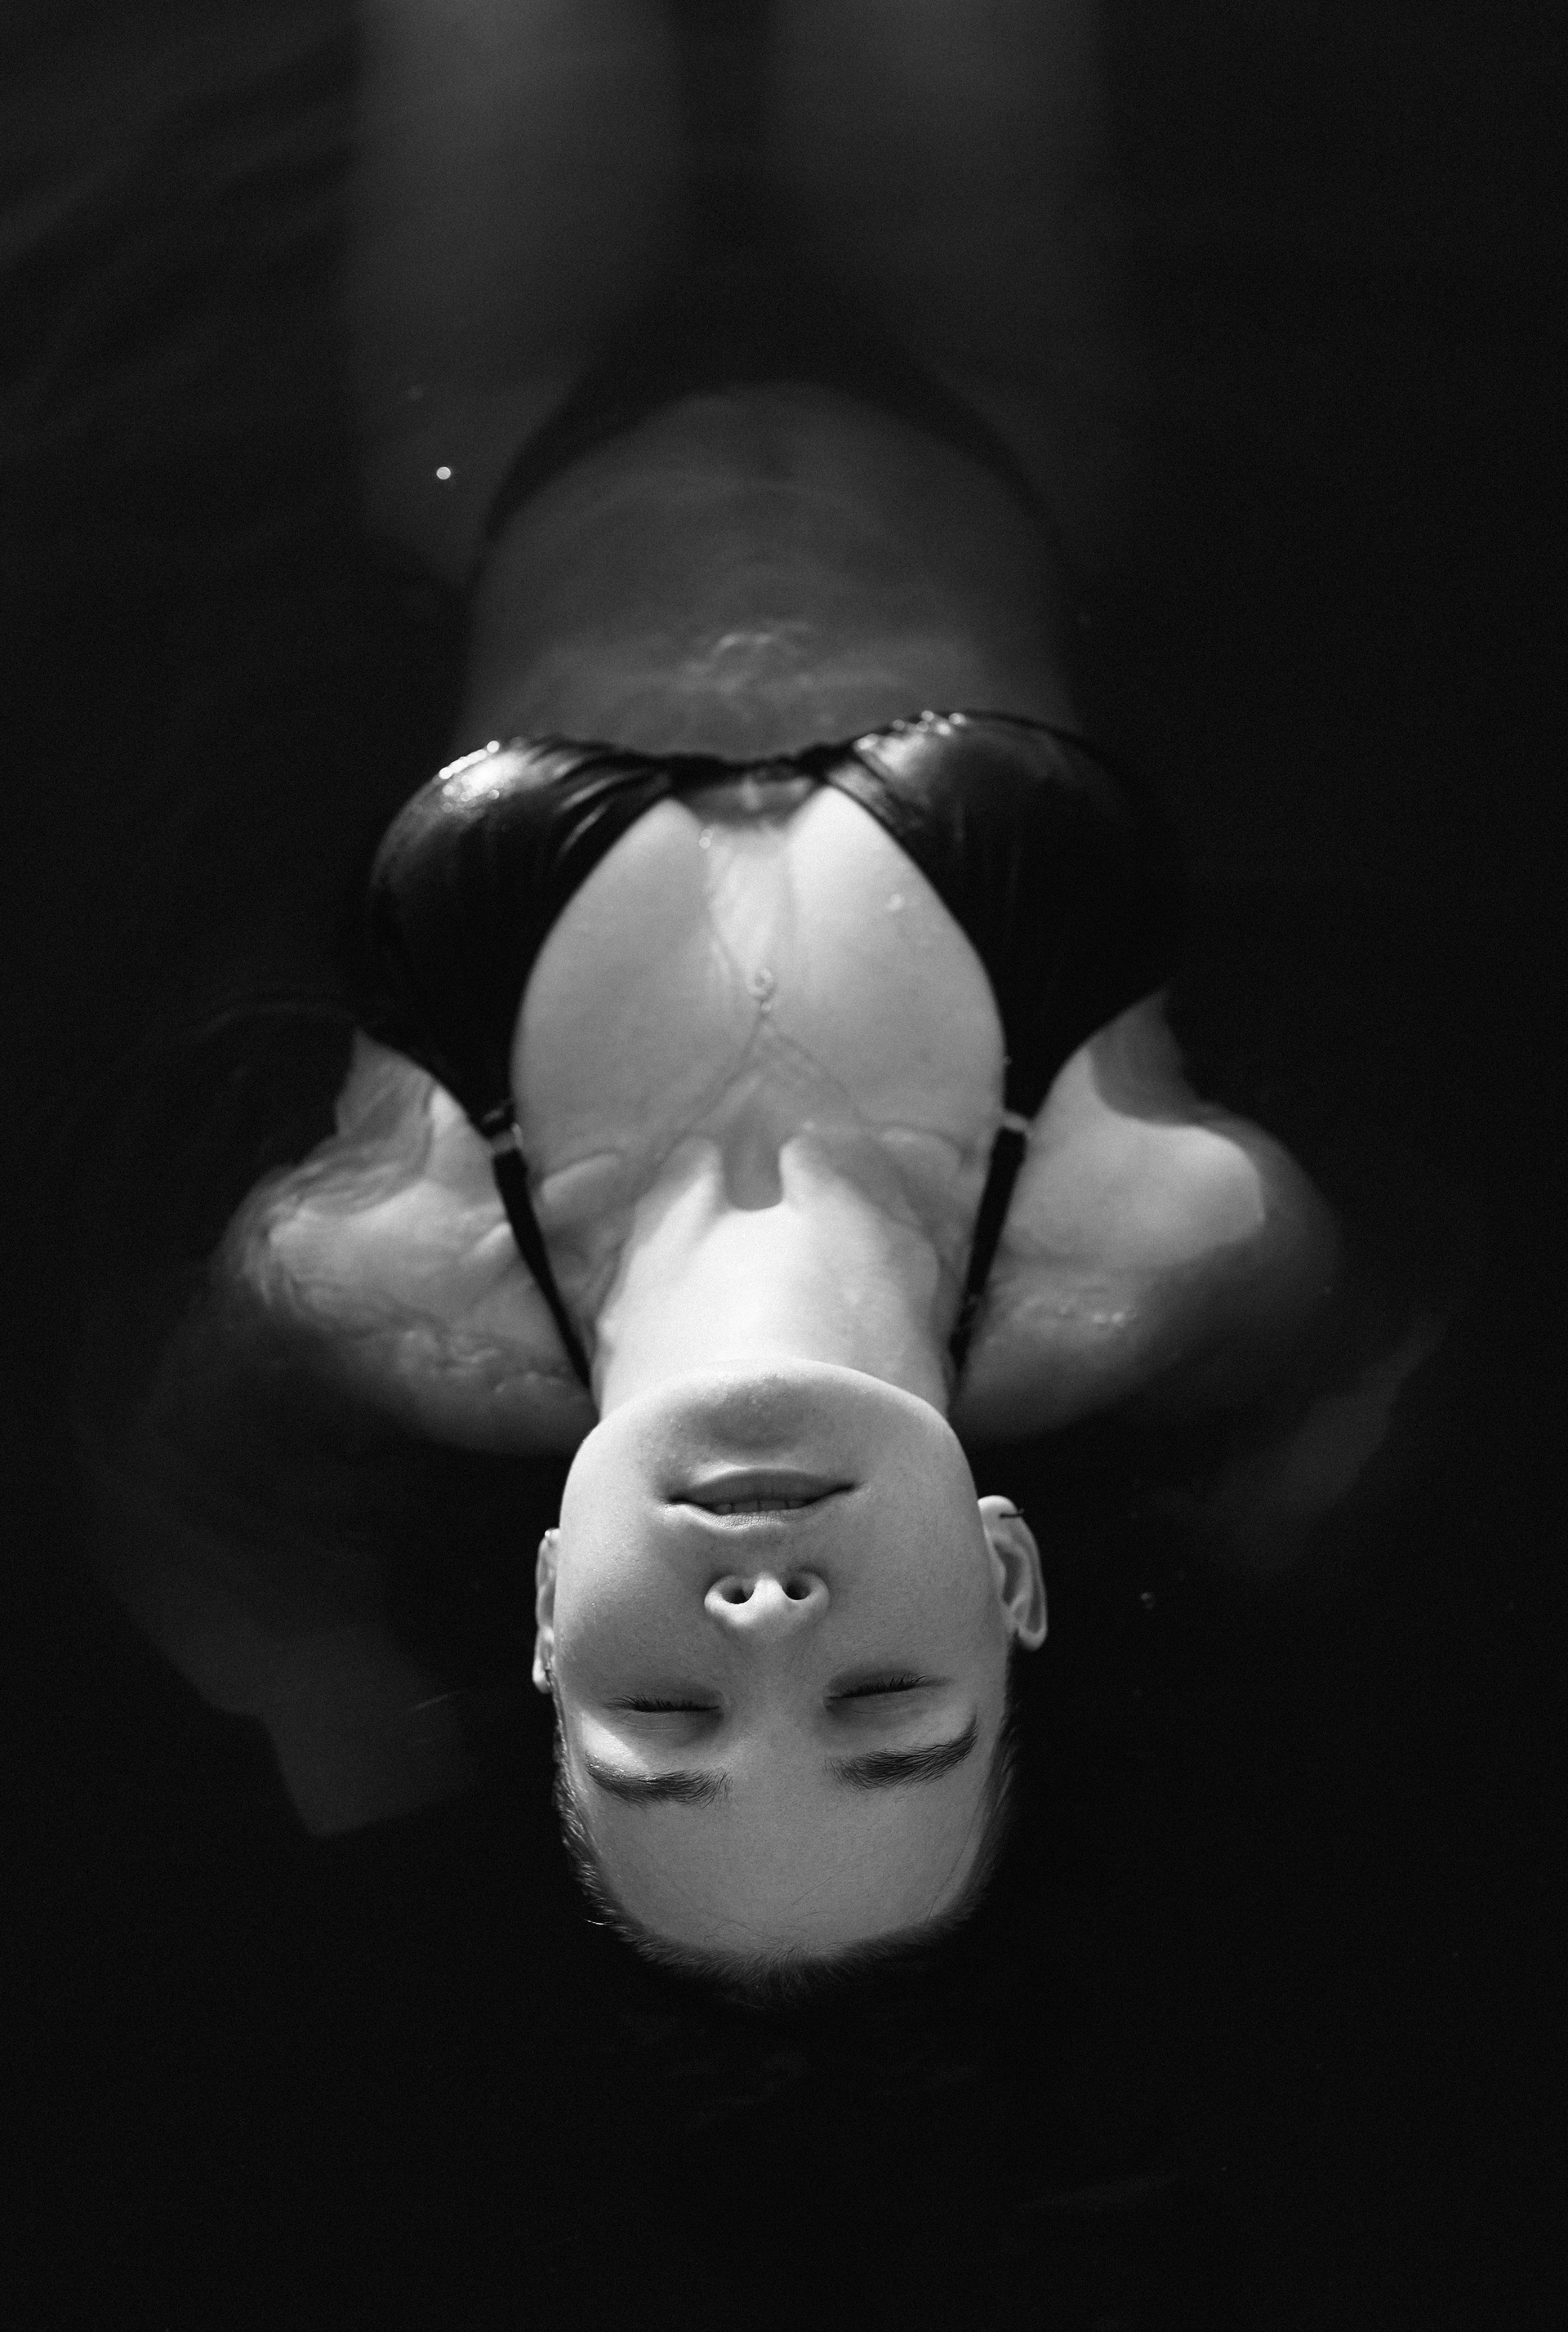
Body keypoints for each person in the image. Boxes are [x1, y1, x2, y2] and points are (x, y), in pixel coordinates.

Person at [79, 0, 1342, 1995]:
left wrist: (314, 1686)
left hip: (512, 428)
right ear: (1006, 1579)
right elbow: (1370, 1355)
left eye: (664, 1717)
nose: (765, 1624)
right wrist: (1284, 1513)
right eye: (884, 1707)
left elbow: (189, 1494)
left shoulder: (386, 1282)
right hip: (986, 408)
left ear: (551, 1613)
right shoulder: (1152, 1247)